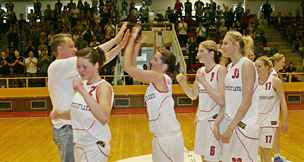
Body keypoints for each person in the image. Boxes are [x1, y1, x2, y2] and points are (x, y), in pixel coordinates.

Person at [48, 23, 128, 162]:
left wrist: (119, 47)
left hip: (75, 126)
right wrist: (115, 40)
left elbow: (95, 62)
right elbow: (92, 56)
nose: (76, 49)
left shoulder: (72, 69)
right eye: (72, 46)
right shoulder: (57, 66)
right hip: (66, 128)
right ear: (60, 49)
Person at [123, 26, 184, 162]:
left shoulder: (159, 77)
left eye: (155, 60)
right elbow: (132, 66)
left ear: (164, 66)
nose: (150, 61)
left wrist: (132, 40)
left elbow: (128, 68)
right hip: (163, 138)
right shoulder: (158, 80)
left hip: (167, 139)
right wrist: (137, 45)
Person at [176, 40, 226, 162]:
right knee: (204, 157)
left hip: (215, 121)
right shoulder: (200, 71)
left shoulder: (220, 70)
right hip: (202, 119)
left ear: (212, 53)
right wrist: (183, 84)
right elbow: (193, 95)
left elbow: (221, 100)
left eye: (201, 51)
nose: (197, 54)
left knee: (214, 158)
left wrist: (204, 82)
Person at [220, 31, 260, 162]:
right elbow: (228, 100)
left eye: (225, 43)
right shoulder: (230, 66)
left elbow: (246, 101)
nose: (222, 46)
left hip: (244, 126)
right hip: (232, 123)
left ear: (236, 44)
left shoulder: (246, 64)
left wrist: (231, 127)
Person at [72, 47, 113, 162]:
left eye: (85, 66)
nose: (80, 70)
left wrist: (82, 91)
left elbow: (104, 117)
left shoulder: (103, 87)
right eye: (78, 66)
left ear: (96, 65)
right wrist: (59, 113)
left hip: (94, 146)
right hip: (79, 144)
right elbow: (79, 112)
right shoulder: (83, 84)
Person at [255, 56, 288, 162]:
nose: (256, 68)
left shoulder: (275, 81)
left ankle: (277, 155)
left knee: (266, 152)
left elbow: (283, 102)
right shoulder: (254, 82)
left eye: (259, 66)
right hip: (256, 122)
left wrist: (285, 121)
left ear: (267, 67)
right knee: (259, 151)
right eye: (255, 66)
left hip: (269, 122)